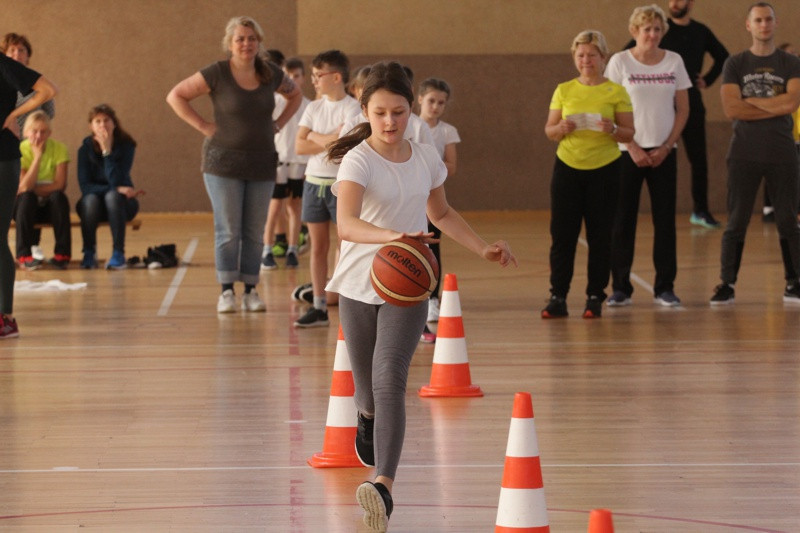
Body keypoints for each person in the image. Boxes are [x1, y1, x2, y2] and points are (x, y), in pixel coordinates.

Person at [325, 61, 516, 532]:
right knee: (367, 389)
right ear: (366, 111)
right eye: (380, 112)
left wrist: (482, 247)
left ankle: (383, 485)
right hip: (357, 283)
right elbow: (346, 224)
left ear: (411, 110)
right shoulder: (358, 160)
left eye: (399, 112)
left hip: (407, 282)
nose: (390, 122)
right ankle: (365, 416)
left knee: (391, 379)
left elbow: (443, 212)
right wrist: (393, 236)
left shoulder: (426, 156)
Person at [166, 16, 301, 312]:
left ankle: (251, 290)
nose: (246, 44)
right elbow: (176, 96)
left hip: (262, 162)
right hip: (221, 164)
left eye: (251, 38)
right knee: (229, 229)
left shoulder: (270, 73)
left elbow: (295, 94)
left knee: (254, 230)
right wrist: (203, 125)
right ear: (230, 44)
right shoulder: (216, 73)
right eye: (240, 38)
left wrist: (277, 125)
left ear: (259, 42)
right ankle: (226, 290)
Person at [710, 2, 800, 306]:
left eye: (768, 20)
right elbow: (731, 109)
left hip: (783, 152)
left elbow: (791, 105)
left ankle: (795, 281)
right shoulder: (735, 64)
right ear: (748, 25)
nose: (764, 25)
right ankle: (726, 284)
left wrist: (752, 101)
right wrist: (773, 102)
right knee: (736, 220)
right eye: (758, 20)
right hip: (743, 153)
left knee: (788, 219)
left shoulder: (790, 63)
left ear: (776, 23)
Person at [542, 30, 634, 319]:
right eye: (580, 55)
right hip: (568, 169)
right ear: (575, 58)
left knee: (600, 236)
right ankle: (558, 296)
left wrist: (614, 131)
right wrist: (561, 130)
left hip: (605, 170)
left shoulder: (616, 91)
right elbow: (549, 130)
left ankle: (595, 296)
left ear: (603, 58)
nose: (586, 60)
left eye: (592, 55)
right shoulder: (564, 89)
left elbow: (630, 132)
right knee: (562, 236)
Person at [605, 4, 690, 308]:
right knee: (623, 220)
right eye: (647, 29)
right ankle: (620, 288)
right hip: (627, 153)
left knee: (665, 221)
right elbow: (609, 109)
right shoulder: (619, 62)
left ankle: (665, 287)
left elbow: (683, 109)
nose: (652, 35)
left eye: (657, 29)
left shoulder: (674, 62)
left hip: (665, 153)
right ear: (634, 31)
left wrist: (667, 146)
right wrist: (633, 147)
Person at [293, 49, 360, 327]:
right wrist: (330, 137)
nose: (314, 81)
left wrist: (316, 138)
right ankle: (319, 306)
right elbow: (299, 146)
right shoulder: (313, 107)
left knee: (344, 246)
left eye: (318, 75)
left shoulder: (352, 108)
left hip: (340, 185)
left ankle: (345, 302)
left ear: (336, 77)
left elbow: (341, 148)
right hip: (313, 183)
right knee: (318, 247)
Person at [0, 53, 57, 338]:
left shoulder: (3, 65)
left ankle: (5, 317)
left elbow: (47, 90)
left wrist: (13, 115)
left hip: (3, 159)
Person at [661, 0, 729, 228]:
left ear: (690, 3)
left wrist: (707, 80)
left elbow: (723, 56)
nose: (675, 3)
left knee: (698, 160)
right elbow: (630, 52)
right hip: (662, 104)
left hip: (692, 103)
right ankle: (663, 210)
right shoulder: (659, 30)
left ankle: (701, 211)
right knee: (662, 156)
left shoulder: (700, 31)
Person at [2, 33, 57, 262]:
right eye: (12, 50)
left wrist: (15, 118)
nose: (17, 54)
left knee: (34, 192)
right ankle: (25, 248)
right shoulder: (4, 76)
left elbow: (48, 113)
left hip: (24, 145)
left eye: (21, 50)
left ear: (28, 55)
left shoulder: (34, 83)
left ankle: (32, 245)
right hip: (11, 145)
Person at [417, 77, 461, 337]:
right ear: (420, 99)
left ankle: (433, 298)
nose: (435, 106)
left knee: (432, 247)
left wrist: (429, 169)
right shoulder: (409, 124)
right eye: (431, 100)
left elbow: (452, 166)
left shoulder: (447, 131)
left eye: (441, 103)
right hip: (409, 196)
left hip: (431, 193)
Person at [76, 104, 143, 270]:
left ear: (114, 123)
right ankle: (89, 252)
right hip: (93, 207)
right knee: (90, 200)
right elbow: (85, 187)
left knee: (112, 197)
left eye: (106, 120)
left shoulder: (127, 146)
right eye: (97, 121)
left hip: (122, 204)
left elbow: (116, 180)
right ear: (91, 126)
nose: (102, 125)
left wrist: (107, 152)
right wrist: (116, 189)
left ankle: (118, 254)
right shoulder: (84, 150)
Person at [261, 56, 310, 271]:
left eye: (297, 76)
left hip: (299, 162)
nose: (293, 79)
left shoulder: (309, 105)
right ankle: (267, 249)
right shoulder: (276, 101)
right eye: (288, 76)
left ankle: (292, 248)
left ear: (303, 78)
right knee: (274, 206)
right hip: (278, 160)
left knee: (294, 205)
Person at [14, 111, 71, 270]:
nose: (38, 135)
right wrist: (37, 157)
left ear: (49, 133)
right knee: (27, 198)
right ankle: (24, 256)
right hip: (24, 208)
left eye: (43, 131)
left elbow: (60, 185)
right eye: (34, 131)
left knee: (59, 198)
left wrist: (33, 188)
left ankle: (62, 255)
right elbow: (24, 188)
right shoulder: (19, 150)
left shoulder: (59, 149)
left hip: (49, 207)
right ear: (26, 132)